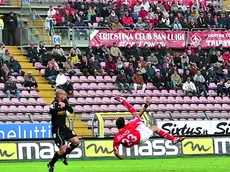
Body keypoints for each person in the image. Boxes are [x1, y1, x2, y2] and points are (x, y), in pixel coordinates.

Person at [113, 96, 184, 159]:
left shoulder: (117, 137)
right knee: (154, 128)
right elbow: (135, 112)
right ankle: (173, 139)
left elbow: (115, 151)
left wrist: (120, 157)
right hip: (141, 137)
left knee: (136, 116)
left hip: (135, 137)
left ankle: (122, 100)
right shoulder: (129, 126)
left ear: (117, 126)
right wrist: (146, 105)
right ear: (124, 124)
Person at [47, 89, 79, 172]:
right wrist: (59, 107)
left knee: (76, 141)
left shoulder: (65, 102)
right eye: (64, 95)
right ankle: (51, 164)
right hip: (57, 130)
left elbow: (71, 110)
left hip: (64, 128)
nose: (65, 96)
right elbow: (50, 111)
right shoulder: (54, 103)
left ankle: (63, 155)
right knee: (63, 149)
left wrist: (65, 106)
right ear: (60, 96)